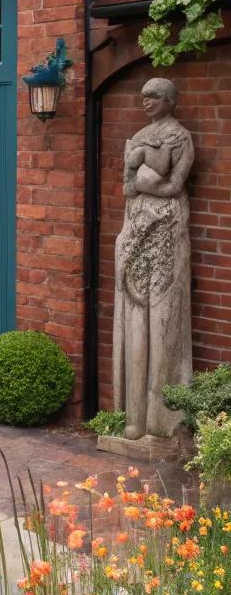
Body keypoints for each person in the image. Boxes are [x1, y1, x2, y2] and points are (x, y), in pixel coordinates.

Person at [113, 78, 193, 440]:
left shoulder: (180, 137)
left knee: (162, 319)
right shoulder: (139, 136)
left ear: (170, 100)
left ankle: (160, 418)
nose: (146, 102)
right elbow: (128, 186)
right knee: (134, 317)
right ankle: (134, 416)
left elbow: (173, 185)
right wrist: (145, 176)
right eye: (142, 97)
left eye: (154, 97)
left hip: (166, 230)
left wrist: (142, 173)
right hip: (135, 228)